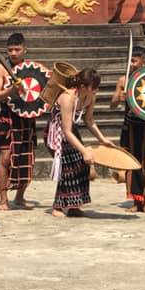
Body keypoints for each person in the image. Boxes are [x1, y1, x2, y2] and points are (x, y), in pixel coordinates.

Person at [46, 68, 115, 217]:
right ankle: (57, 206)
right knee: (69, 166)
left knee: (82, 165)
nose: (96, 90)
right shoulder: (68, 97)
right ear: (83, 86)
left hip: (71, 130)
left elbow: (89, 120)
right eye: (93, 87)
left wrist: (102, 139)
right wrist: (84, 151)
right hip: (56, 132)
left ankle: (73, 205)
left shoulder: (90, 97)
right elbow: (66, 130)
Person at [0, 33, 36, 210]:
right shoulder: (0, 69)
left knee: (26, 158)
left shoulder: (32, 70)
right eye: (10, 50)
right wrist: (11, 90)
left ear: (25, 49)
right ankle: (3, 199)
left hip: (26, 119)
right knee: (5, 159)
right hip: (7, 118)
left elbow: (41, 94)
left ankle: (20, 196)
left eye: (17, 49)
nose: (14, 53)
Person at [110, 45, 145, 213]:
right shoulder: (124, 81)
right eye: (130, 60)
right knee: (131, 164)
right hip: (129, 127)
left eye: (135, 60)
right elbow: (113, 105)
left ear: (144, 61)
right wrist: (118, 96)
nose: (132, 64)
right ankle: (136, 201)